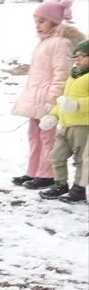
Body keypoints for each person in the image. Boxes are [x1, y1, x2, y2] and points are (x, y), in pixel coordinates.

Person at [11, 0, 82, 190]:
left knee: (48, 138)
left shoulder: (61, 43)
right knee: (34, 135)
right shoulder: (45, 42)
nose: (38, 26)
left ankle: (47, 175)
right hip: (35, 97)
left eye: (42, 21)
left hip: (48, 100)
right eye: (36, 22)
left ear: (54, 20)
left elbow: (62, 74)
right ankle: (33, 171)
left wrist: (53, 100)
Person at [38, 39, 89, 203]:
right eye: (77, 55)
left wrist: (77, 104)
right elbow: (64, 101)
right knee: (56, 155)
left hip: (83, 126)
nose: (78, 59)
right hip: (66, 125)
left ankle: (78, 190)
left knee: (81, 159)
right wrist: (53, 115)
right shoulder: (73, 76)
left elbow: (74, 103)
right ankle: (60, 184)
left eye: (83, 55)